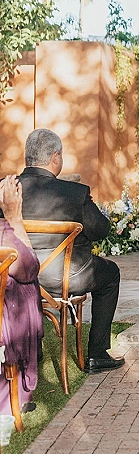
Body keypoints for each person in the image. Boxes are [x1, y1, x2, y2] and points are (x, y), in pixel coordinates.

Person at [18, 128, 124, 374]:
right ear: (55, 158)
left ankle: (34, 347)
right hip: (67, 278)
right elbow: (101, 229)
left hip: (17, 276)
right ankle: (97, 353)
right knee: (111, 274)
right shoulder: (74, 193)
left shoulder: (4, 189)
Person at [0, 175, 43, 415]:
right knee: (24, 288)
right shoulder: (3, 233)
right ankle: (18, 388)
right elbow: (29, 269)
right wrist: (14, 217)